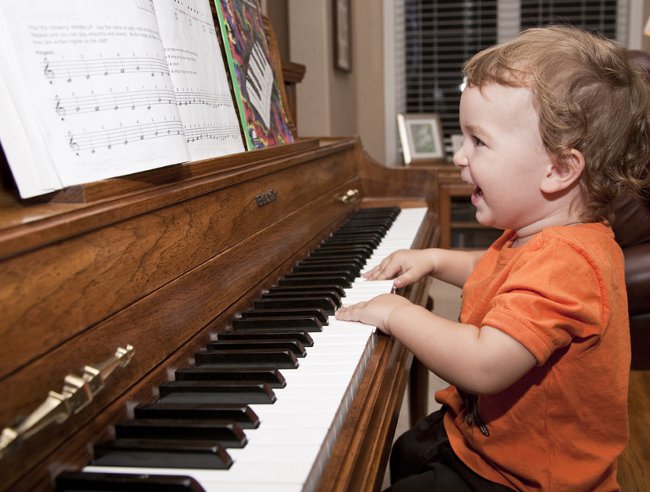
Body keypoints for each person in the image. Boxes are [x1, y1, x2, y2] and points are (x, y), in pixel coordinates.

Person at [335, 26, 650, 491]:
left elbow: (484, 365)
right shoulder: (540, 236)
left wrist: (397, 313)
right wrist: (437, 259)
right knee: (408, 450)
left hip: (525, 480)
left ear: (559, 169)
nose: (460, 157)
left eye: (478, 142)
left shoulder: (570, 263)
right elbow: (501, 272)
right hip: (487, 444)